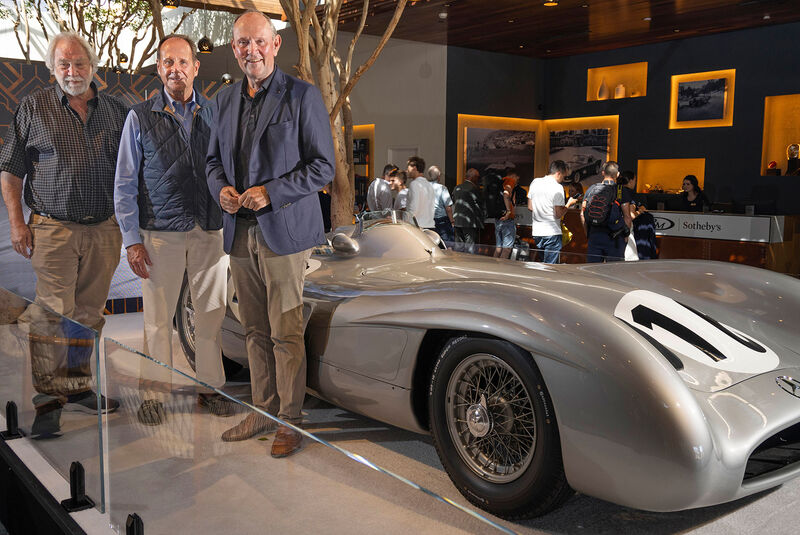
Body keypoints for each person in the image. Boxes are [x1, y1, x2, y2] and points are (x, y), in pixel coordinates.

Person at [206, 11, 335, 458]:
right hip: (238, 232)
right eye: (242, 43)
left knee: (286, 331)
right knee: (254, 330)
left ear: (275, 44)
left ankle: (291, 420)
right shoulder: (221, 102)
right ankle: (263, 409)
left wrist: (272, 192)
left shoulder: (303, 96)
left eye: (259, 41)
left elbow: (324, 166)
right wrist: (219, 188)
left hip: (284, 232)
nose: (251, 50)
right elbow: (211, 162)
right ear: (234, 47)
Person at [0, 32, 126, 434]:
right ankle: (49, 400)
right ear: (52, 68)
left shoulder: (117, 111)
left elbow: (132, 172)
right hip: (52, 229)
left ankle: (78, 387)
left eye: (79, 64)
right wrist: (18, 223)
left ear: (93, 65)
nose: (72, 72)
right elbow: (10, 172)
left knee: (88, 315)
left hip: (104, 229)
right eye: (64, 65)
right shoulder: (33, 107)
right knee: (53, 314)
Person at [114, 34, 230, 425]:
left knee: (211, 314)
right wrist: (131, 241)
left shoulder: (217, 114)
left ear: (196, 67)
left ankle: (210, 387)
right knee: (158, 318)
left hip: (209, 230)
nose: (175, 69)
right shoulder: (139, 116)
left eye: (183, 62)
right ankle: (155, 394)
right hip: (159, 233)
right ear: (159, 69)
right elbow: (124, 182)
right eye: (167, 63)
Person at [528, 160, 577, 264]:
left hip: (537, 232)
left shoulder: (535, 182)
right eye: (563, 176)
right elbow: (558, 214)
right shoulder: (557, 187)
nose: (563, 180)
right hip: (552, 232)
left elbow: (530, 207)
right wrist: (568, 204)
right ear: (558, 173)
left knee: (542, 265)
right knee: (550, 267)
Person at [580, 161, 630, 263]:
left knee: (592, 271)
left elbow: (582, 214)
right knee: (613, 273)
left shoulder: (591, 189)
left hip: (595, 236)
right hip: (615, 237)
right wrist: (626, 236)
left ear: (602, 173)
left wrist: (588, 234)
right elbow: (627, 216)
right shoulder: (620, 191)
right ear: (618, 174)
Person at [452, 168, 484, 254]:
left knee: (458, 246)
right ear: (473, 177)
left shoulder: (457, 188)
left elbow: (454, 202)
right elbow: (480, 204)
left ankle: (458, 263)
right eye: (477, 177)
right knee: (469, 247)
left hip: (457, 220)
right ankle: (468, 264)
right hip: (469, 222)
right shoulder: (474, 189)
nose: (478, 179)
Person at [405, 156, 435, 229]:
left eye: (408, 168)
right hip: (430, 226)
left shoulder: (414, 184)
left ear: (414, 168)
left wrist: (403, 220)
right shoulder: (429, 185)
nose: (406, 171)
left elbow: (413, 208)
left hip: (418, 227)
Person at [426, 165, 454, 242]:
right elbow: (448, 207)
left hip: (428, 221)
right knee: (447, 244)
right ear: (439, 176)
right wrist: (452, 221)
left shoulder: (425, 188)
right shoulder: (442, 188)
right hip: (442, 221)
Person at [494, 173, 516, 259]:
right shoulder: (510, 181)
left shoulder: (500, 182)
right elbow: (506, 194)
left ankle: (493, 269)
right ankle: (501, 269)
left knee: (498, 248)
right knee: (507, 249)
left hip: (498, 219)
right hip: (507, 220)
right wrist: (509, 211)